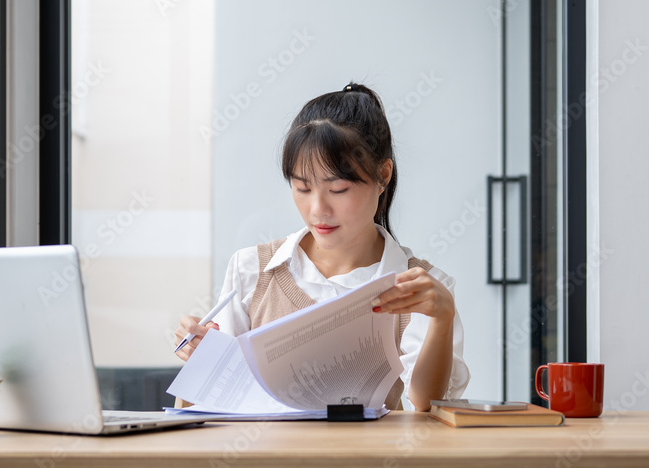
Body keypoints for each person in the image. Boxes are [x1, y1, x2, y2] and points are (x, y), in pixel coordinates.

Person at [174, 82, 469, 413]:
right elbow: (216, 406)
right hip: (267, 462)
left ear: (383, 175)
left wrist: (441, 319)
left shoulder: (419, 287)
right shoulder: (252, 271)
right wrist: (203, 358)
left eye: (339, 189)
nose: (318, 210)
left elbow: (425, 409)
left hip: (372, 462)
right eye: (301, 188)